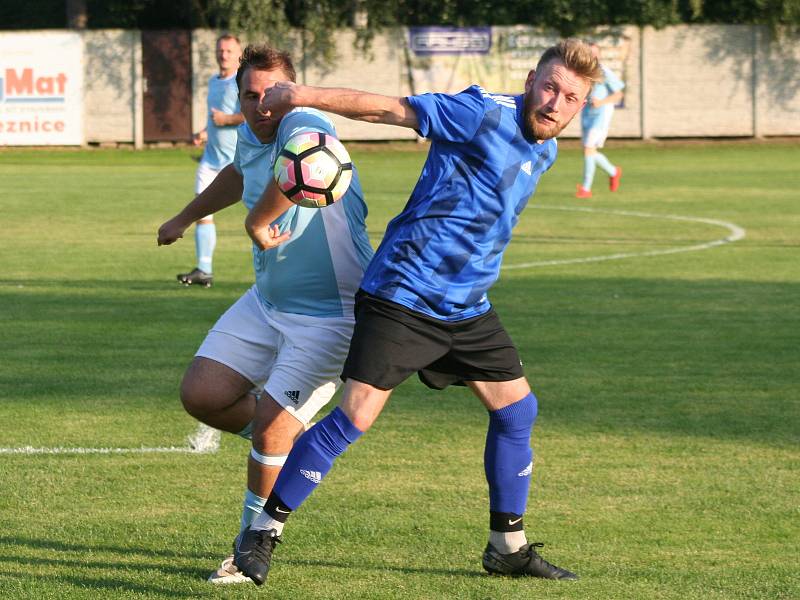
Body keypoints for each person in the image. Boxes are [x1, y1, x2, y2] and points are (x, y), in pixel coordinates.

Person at [233, 38, 602, 586]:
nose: (555, 102)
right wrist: (302, 95)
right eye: (549, 87)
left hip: (466, 306)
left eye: (570, 97)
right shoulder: (479, 112)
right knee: (353, 420)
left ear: (580, 105)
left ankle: (507, 545)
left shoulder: (544, 148)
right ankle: (261, 531)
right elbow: (389, 108)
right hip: (403, 294)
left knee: (518, 411)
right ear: (530, 79)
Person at [157, 44, 373, 584]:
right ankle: (286, 444)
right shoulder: (253, 138)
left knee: (269, 434)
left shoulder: (303, 122)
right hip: (268, 301)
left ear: (291, 92)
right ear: (239, 95)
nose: (263, 106)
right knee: (202, 395)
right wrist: (184, 218)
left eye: (273, 94)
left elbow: (312, 158)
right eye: (251, 96)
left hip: (331, 313)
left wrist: (258, 221)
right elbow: (238, 172)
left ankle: (249, 547)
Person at [177, 34, 244, 287]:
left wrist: (227, 120)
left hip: (237, 163)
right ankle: (204, 269)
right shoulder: (213, 81)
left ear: (239, 54)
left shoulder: (241, 82)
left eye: (229, 51)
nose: (223, 54)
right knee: (202, 212)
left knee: (261, 215)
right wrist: (204, 132)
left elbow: (251, 116)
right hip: (210, 159)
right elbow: (213, 118)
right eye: (220, 50)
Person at [575, 42, 625, 199]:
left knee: (589, 149)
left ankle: (585, 188)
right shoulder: (583, 71)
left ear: (599, 55)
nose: (592, 56)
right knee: (589, 150)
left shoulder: (604, 72)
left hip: (600, 115)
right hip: (587, 114)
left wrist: (601, 102)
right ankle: (613, 172)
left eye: (595, 53)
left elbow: (619, 94)